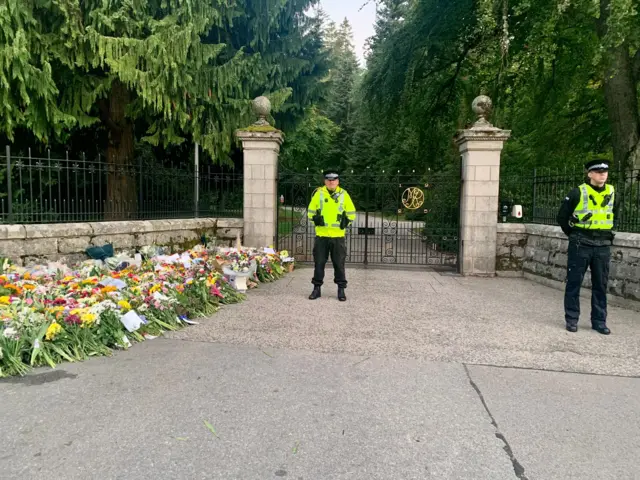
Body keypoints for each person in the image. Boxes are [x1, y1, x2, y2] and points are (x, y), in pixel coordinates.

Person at [557, 159, 619, 335]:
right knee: (574, 282)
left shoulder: (613, 192)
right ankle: (572, 319)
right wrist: (574, 234)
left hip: (603, 244)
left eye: (605, 172)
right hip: (581, 242)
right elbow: (562, 217)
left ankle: (599, 321)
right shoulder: (578, 192)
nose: (602, 174)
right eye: (598, 172)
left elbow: (615, 215)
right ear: (590, 174)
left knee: (601, 284)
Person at [306, 169, 356, 301]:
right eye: (328, 180)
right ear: (325, 181)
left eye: (334, 180)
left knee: (339, 264)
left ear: (338, 181)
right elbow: (310, 211)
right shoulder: (318, 194)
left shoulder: (344, 195)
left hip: (338, 236)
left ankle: (341, 290)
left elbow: (351, 213)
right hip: (322, 236)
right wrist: (315, 220)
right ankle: (316, 289)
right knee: (319, 263)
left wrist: (345, 222)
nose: (331, 182)